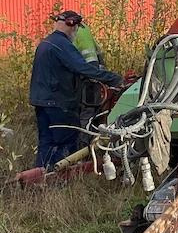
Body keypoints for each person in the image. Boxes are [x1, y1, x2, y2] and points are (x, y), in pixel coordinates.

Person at [29, 10, 123, 169]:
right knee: (66, 141)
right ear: (72, 25)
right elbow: (83, 68)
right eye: (77, 27)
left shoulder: (46, 43)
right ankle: (59, 178)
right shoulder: (63, 45)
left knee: (46, 142)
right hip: (59, 103)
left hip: (41, 102)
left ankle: (40, 176)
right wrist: (113, 79)